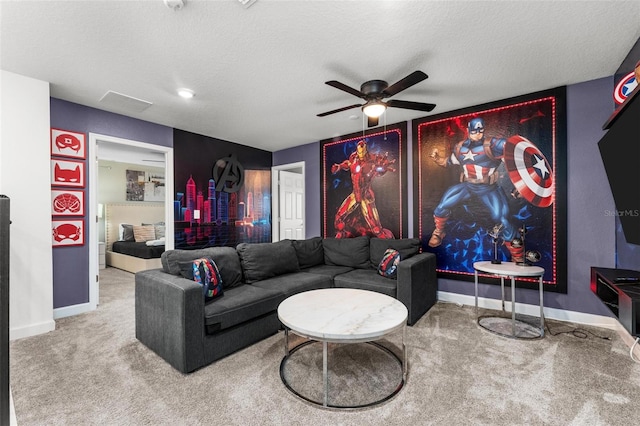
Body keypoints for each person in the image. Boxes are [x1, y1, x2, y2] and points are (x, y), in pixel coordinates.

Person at [429, 117, 523, 262]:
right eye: (474, 131)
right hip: (467, 186)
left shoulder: (493, 145)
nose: (477, 134)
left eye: (480, 131)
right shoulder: (460, 148)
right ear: (468, 131)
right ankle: (439, 232)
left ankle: (518, 254)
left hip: (488, 188)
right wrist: (437, 159)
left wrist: (520, 184)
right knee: (442, 206)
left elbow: (514, 162)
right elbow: (448, 162)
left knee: (501, 219)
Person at [331, 140, 395, 238]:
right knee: (338, 220)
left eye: (362, 153)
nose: (360, 155)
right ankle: (342, 237)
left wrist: (383, 168)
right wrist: (339, 166)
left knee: (376, 229)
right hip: (355, 194)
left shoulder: (373, 158)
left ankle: (388, 247)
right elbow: (348, 164)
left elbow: (380, 169)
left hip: (366, 195)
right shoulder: (354, 157)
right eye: (359, 152)